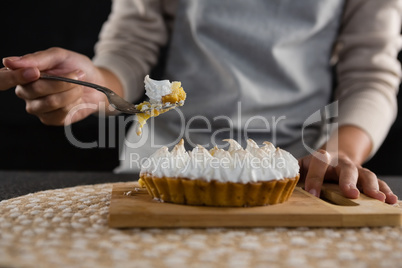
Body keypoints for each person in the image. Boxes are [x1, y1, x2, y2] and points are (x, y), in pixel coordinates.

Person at [0, 0, 400, 204]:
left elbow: (371, 74)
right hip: (160, 164)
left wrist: (336, 155)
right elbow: (130, 45)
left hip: (296, 171)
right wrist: (93, 83)